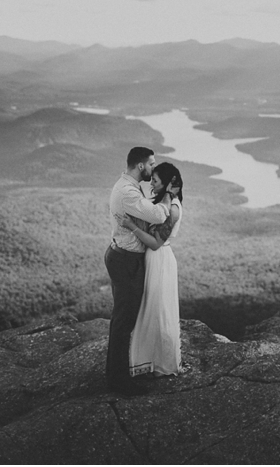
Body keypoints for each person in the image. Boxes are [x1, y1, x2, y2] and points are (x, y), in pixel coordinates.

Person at [105, 146, 179, 396]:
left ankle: (118, 374)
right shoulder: (128, 192)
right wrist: (168, 195)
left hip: (124, 257)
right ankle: (118, 381)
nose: (152, 168)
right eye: (151, 164)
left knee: (124, 318)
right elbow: (159, 215)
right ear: (140, 166)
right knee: (124, 320)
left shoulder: (128, 187)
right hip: (126, 261)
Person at [122, 162, 184, 378]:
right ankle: (148, 360)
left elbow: (156, 243)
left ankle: (161, 363)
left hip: (160, 260)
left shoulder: (173, 210)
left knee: (158, 310)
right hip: (151, 260)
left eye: (156, 181)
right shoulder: (161, 203)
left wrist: (132, 227)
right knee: (148, 308)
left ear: (167, 183)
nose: (151, 184)